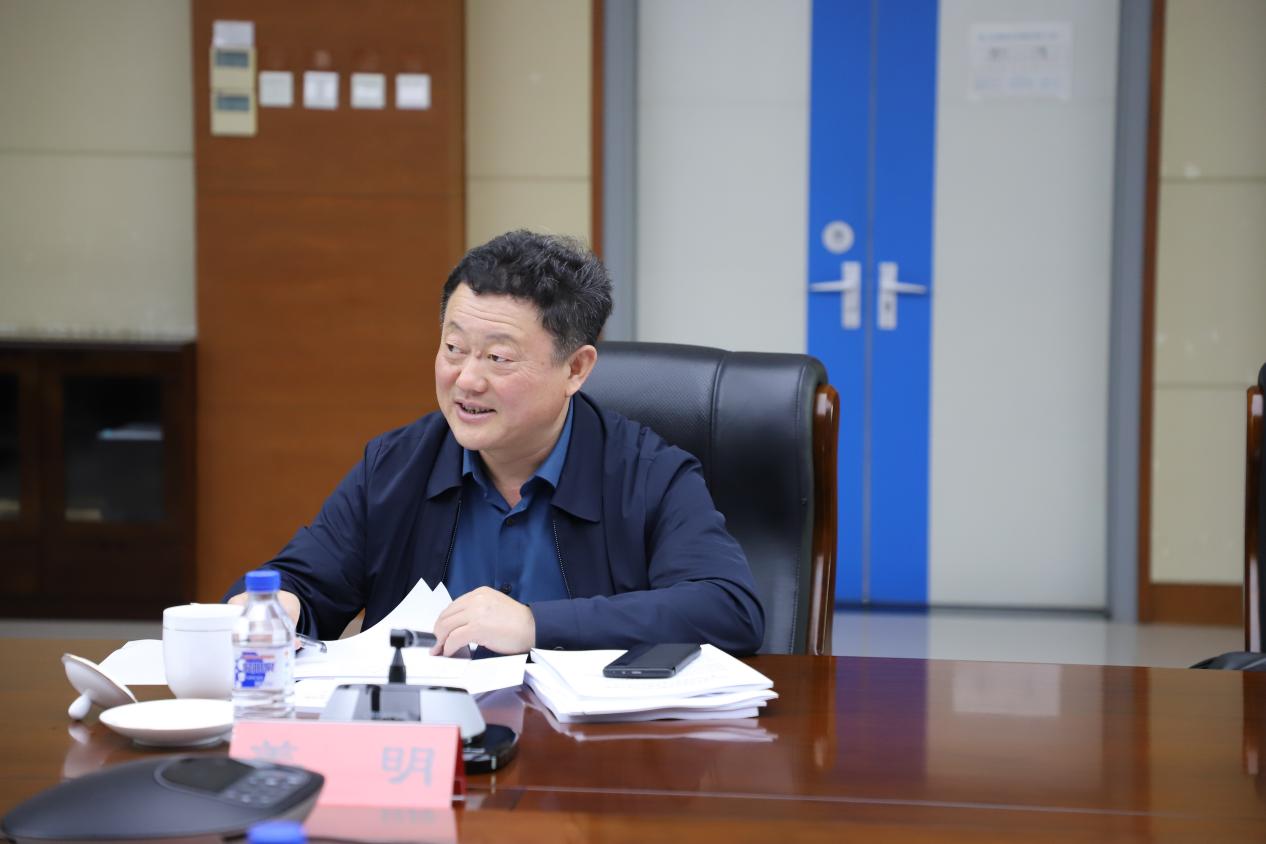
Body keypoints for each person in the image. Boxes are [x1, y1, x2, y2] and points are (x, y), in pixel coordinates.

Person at [225, 230, 765, 655]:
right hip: (435, 743)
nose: (466, 379)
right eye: (453, 348)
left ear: (575, 369)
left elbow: (728, 609)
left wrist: (536, 624)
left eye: (498, 358)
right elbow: (303, 581)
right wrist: (278, 607)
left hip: (593, 749)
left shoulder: (648, 474)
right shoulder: (395, 466)